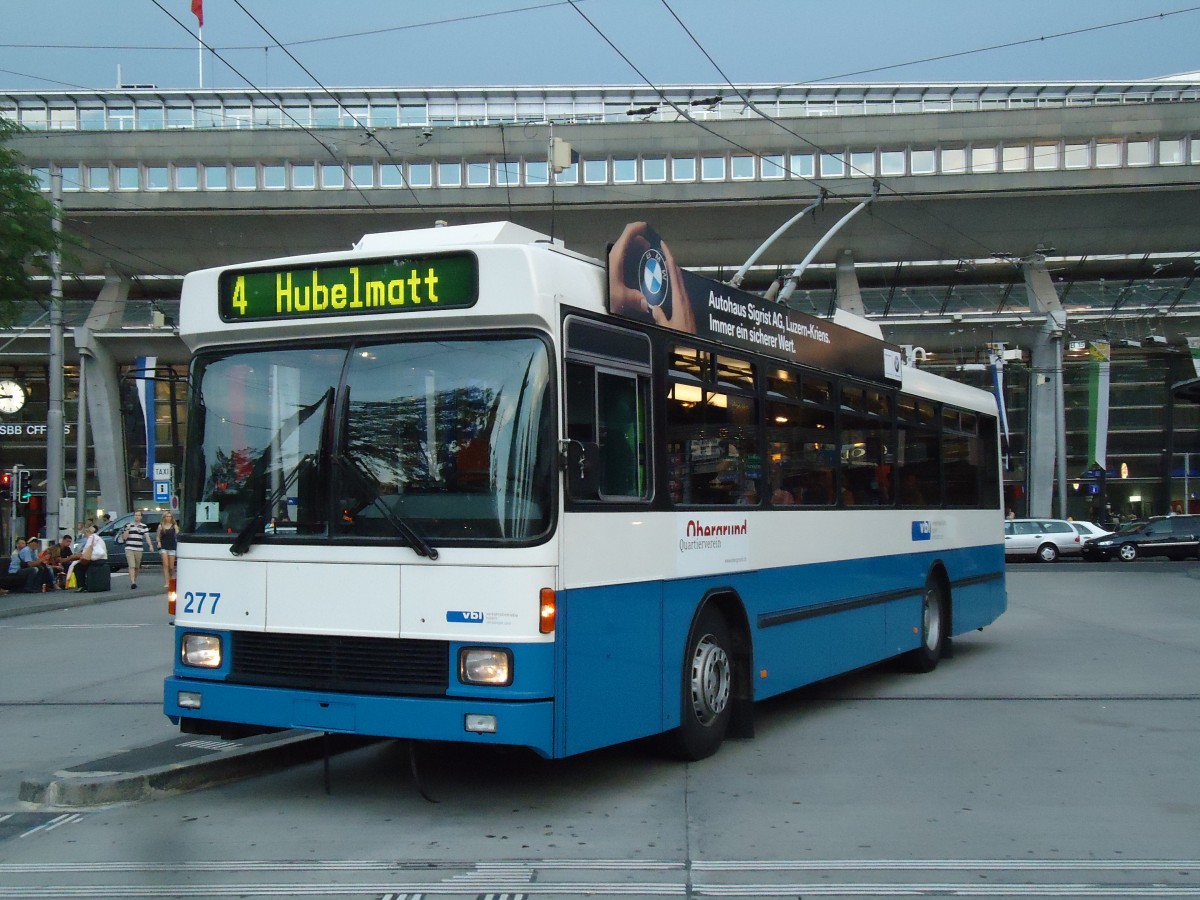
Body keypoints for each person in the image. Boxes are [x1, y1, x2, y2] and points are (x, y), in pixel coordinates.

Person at [119, 510, 155, 590]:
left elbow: (147, 537)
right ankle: (133, 582)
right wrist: (127, 529)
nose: (137, 517)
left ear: (141, 517)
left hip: (139, 548)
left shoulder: (144, 526)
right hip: (129, 547)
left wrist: (150, 545)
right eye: (135, 515)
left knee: (137, 566)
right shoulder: (129, 525)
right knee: (131, 565)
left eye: (138, 515)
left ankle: (134, 579)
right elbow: (124, 538)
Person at [66, 525, 107, 592]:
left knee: (78, 567)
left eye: (85, 533)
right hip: (103, 559)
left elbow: (86, 551)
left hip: (95, 559)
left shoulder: (91, 537)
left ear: (87, 532)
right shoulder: (98, 538)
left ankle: (81, 585)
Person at [158, 512, 178, 589]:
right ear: (164, 517)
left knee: (171, 567)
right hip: (164, 547)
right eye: (167, 516)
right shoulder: (161, 526)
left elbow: (177, 536)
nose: (168, 518)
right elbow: (158, 536)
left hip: (172, 547)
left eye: (170, 516)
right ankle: (167, 582)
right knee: (165, 565)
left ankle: (172, 576)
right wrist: (159, 542)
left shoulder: (174, 526)